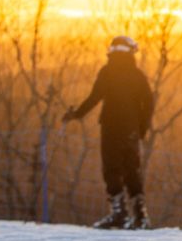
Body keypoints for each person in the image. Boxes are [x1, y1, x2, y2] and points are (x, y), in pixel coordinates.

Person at [63, 35, 155, 230]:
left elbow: (94, 98)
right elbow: (149, 103)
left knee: (112, 170)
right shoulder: (137, 75)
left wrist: (76, 114)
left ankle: (119, 214)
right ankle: (140, 216)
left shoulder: (107, 72)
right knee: (132, 169)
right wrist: (141, 129)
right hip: (131, 130)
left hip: (110, 128)